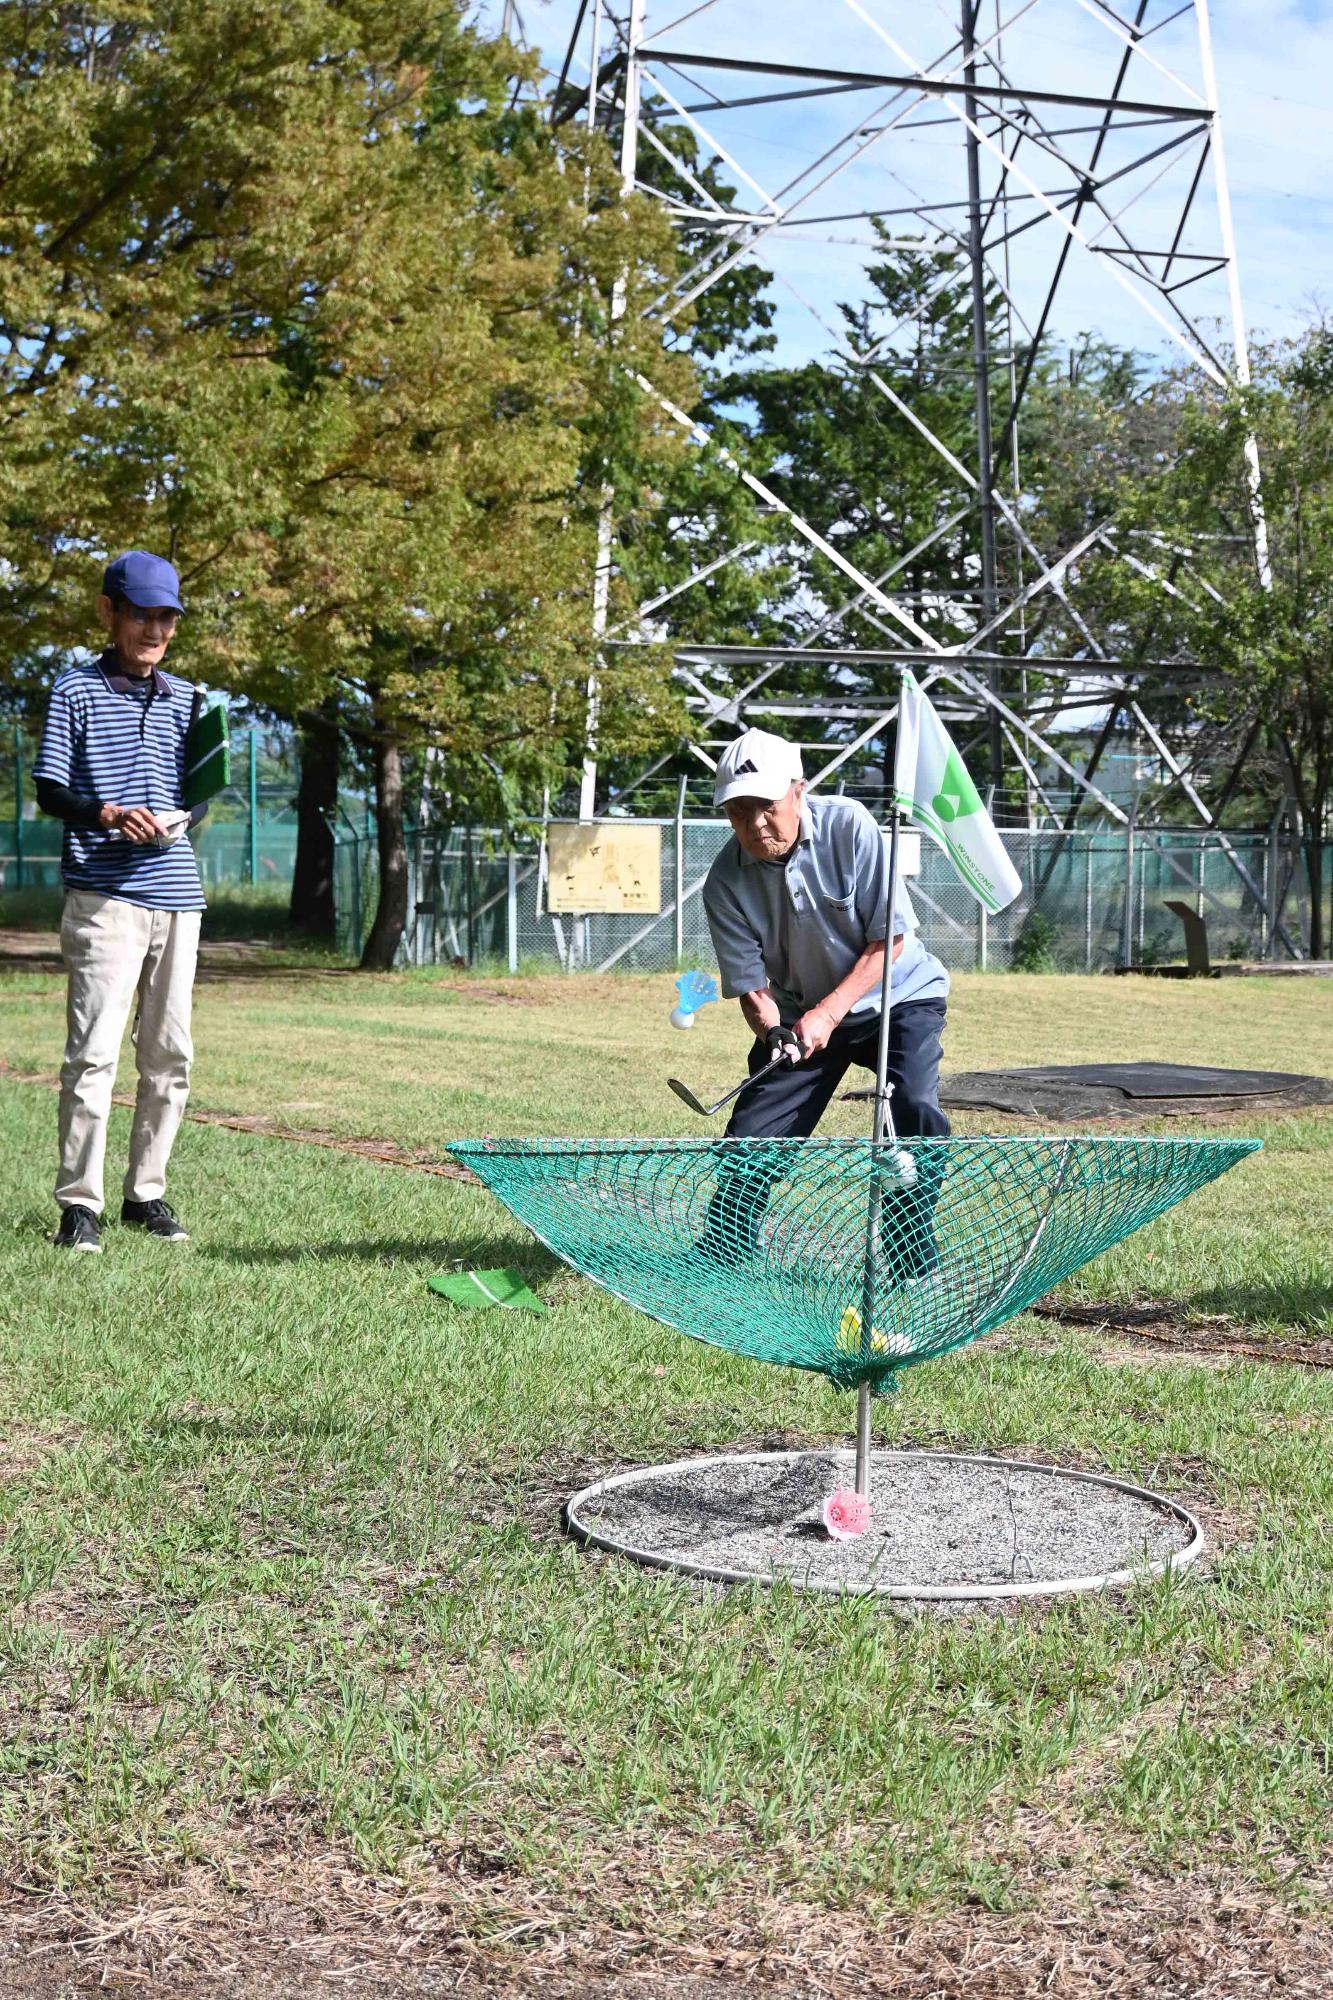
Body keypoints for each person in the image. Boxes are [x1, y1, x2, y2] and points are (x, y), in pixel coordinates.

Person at [700, 726, 950, 1268]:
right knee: (751, 1132)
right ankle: (725, 1251)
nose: (754, 824)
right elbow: (751, 990)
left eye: (764, 806)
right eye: (737, 812)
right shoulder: (723, 881)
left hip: (897, 996)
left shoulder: (850, 826)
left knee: (914, 1109)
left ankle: (911, 1250)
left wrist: (829, 1012)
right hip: (801, 1018)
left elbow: (892, 941)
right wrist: (774, 1033)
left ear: (797, 791)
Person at [34, 551, 208, 1252]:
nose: (155, 628)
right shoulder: (72, 691)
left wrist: (181, 816)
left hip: (178, 896)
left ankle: (148, 1195)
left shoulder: (192, 698)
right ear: (108, 612)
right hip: (103, 899)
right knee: (94, 1056)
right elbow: (50, 790)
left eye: (166, 616)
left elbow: (201, 788)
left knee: (170, 1056)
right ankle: (80, 1207)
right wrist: (109, 814)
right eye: (142, 613)